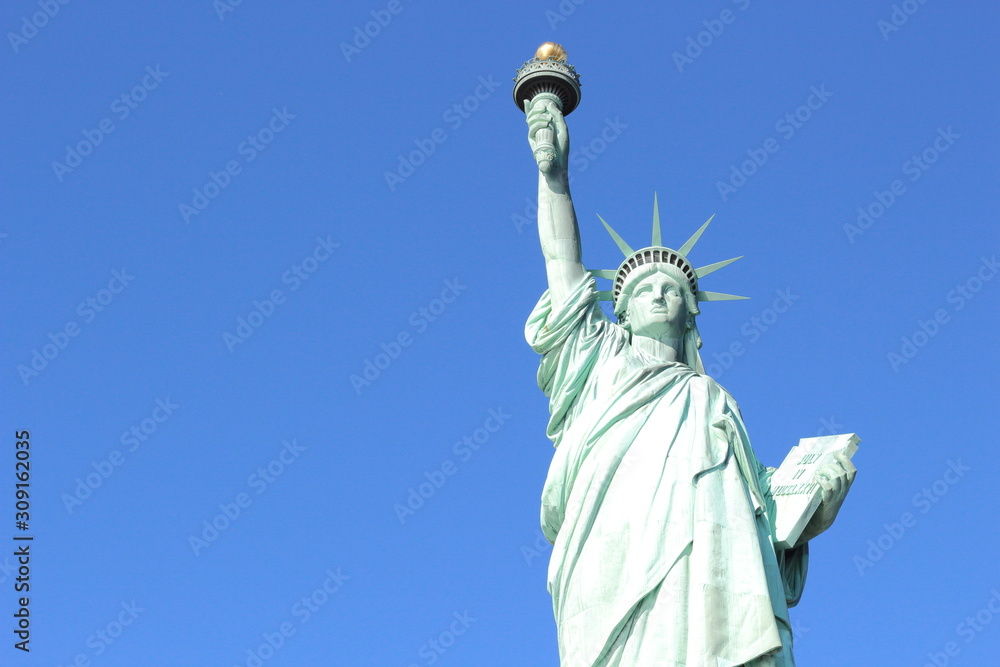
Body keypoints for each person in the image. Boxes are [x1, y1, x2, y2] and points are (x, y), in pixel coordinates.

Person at [523, 96, 856, 666]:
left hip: (711, 571)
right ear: (619, 311)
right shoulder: (599, 359)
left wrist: (814, 500)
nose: (659, 292)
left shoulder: (712, 399)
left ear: (690, 313)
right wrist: (554, 177)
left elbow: (761, 518)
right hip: (612, 554)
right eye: (641, 287)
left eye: (672, 288)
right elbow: (561, 264)